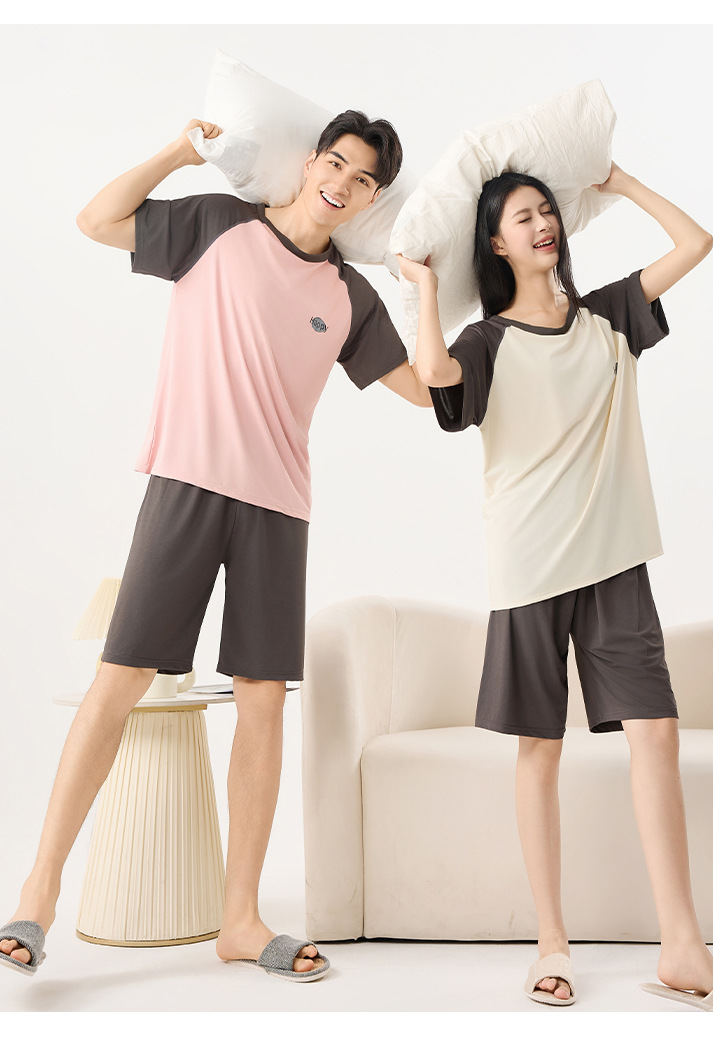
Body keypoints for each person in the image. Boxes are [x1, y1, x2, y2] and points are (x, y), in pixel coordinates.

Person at [0, 112, 430, 982]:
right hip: (186, 484)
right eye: (335, 162)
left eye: (363, 180)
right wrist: (176, 152)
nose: (341, 183)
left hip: (279, 509)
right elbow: (96, 220)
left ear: (371, 200)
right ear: (309, 163)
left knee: (263, 703)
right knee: (119, 679)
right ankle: (37, 896)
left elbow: (427, 393)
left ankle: (241, 918)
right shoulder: (217, 223)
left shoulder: (351, 295)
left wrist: (423, 288)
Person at [397, 164, 713, 1011]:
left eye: (547, 211)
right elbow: (433, 376)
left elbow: (696, 243)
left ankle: (682, 945)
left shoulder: (608, 318)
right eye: (522, 217)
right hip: (528, 566)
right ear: (495, 243)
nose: (542, 225)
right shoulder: (486, 342)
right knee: (541, 749)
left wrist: (620, 181)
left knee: (656, 732)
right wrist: (424, 285)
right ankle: (550, 941)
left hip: (615, 560)